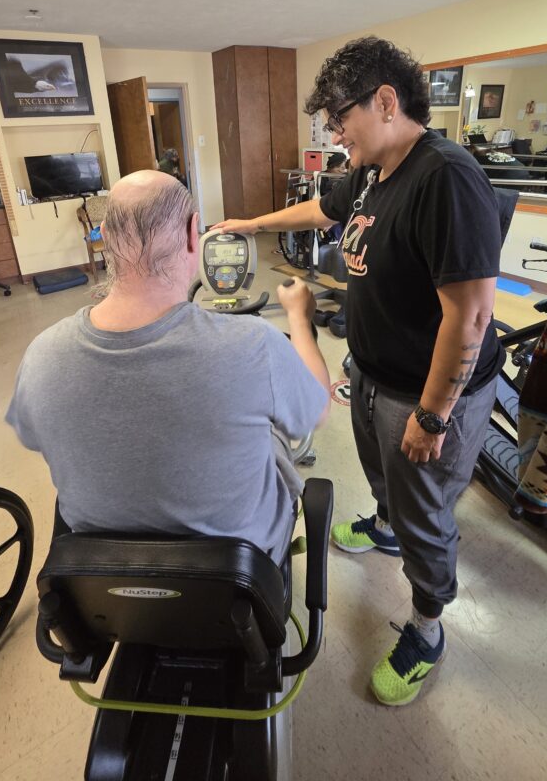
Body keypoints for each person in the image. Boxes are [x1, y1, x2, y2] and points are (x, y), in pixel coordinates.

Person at [215, 36, 503, 705]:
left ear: (385, 100)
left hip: (427, 391)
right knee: (386, 480)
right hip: (374, 373)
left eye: (339, 118)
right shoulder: (375, 168)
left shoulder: (445, 179)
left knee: (428, 513)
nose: (334, 132)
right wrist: (251, 222)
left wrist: (433, 416)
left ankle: (427, 630)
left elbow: (471, 317)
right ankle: (383, 524)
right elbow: (325, 208)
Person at [6, 170, 329, 565]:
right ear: (195, 234)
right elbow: (318, 411)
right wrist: (299, 319)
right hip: (235, 584)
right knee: (272, 433)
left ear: (104, 237)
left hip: (104, 583)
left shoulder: (42, 354)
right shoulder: (254, 344)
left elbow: (33, 436)